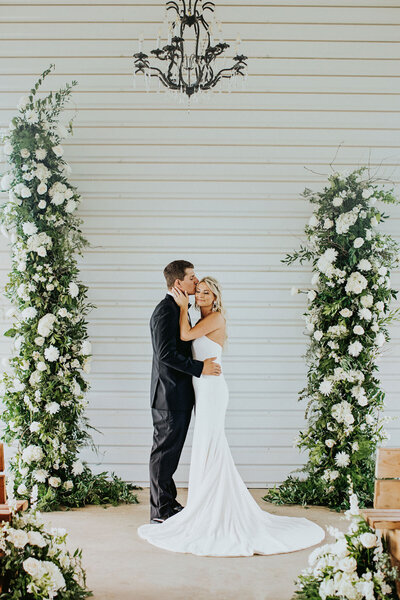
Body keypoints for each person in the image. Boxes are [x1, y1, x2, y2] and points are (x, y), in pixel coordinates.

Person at [138, 276, 325, 556]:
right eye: (198, 290)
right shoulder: (195, 315)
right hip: (201, 387)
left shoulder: (215, 318)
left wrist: (180, 306)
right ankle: (204, 501)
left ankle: (212, 505)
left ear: (215, 297)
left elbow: (186, 336)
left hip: (212, 388)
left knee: (211, 444)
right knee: (206, 445)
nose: (200, 295)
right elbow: (181, 340)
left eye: (206, 292)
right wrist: (182, 309)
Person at [148, 260, 222, 524]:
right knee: (164, 453)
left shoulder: (178, 308)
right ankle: (160, 511)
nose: (196, 280)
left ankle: (167, 503)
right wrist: (200, 367)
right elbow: (166, 355)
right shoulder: (165, 311)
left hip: (178, 394)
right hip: (168, 395)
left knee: (171, 453)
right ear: (178, 283)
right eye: (192, 277)